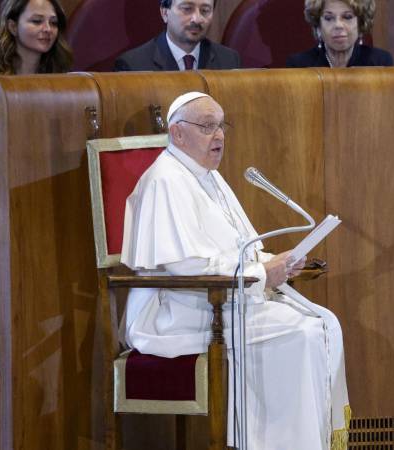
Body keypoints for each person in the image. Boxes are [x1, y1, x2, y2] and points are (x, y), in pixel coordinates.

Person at [121, 91, 350, 450]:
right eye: (207, 126)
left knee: (323, 323)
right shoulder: (166, 179)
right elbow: (186, 266)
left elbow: (237, 248)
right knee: (301, 332)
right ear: (178, 134)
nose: (219, 136)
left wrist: (278, 261)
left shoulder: (208, 176)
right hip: (180, 310)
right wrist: (262, 274)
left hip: (220, 300)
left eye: (221, 126)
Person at [0, 0, 72, 144]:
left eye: (54, 23)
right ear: (13, 27)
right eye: (37, 21)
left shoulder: (63, 76)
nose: (48, 29)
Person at [114, 0, 240, 71]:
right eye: (187, 9)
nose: (196, 19)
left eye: (205, 11)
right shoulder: (133, 65)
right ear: (164, 13)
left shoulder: (228, 60)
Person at [287, 0, 393, 68]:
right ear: (318, 26)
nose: (338, 25)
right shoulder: (299, 65)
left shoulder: (380, 62)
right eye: (329, 18)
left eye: (347, 17)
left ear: (361, 24)